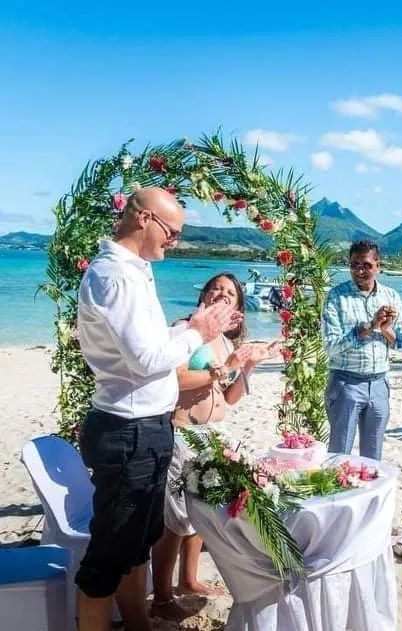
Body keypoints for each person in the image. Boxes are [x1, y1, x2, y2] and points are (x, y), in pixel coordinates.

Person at [75, 188, 238, 631]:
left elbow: (151, 349)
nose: (176, 241)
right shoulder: (117, 277)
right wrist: (197, 331)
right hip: (128, 430)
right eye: (173, 231)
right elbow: (146, 359)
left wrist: (189, 331)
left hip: (146, 427)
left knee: (136, 545)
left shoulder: (136, 270)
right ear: (144, 219)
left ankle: (139, 623)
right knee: (107, 559)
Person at [150, 274, 279, 621]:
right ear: (204, 294)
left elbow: (230, 397)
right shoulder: (185, 330)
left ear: (237, 305)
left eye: (231, 293)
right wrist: (224, 370)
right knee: (175, 519)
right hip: (183, 434)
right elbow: (175, 378)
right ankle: (161, 597)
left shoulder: (221, 339)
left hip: (214, 434)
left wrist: (249, 365)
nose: (223, 294)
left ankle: (188, 580)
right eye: (217, 288)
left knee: (201, 515)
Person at [322, 240, 402, 461]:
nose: (360, 271)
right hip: (345, 384)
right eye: (355, 265)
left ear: (377, 266)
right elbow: (331, 347)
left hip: (379, 385)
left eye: (366, 265)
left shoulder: (391, 297)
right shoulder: (336, 297)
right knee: (339, 457)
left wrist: (385, 329)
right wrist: (369, 327)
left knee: (373, 459)